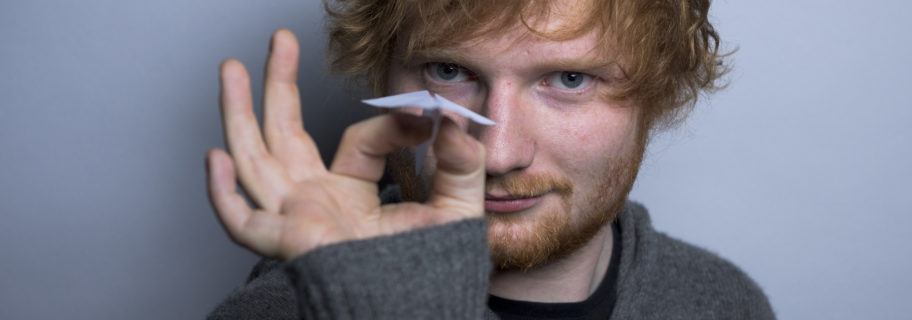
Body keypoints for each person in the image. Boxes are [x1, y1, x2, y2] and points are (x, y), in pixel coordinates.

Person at [206, 0, 775, 318]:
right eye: (449, 72)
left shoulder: (721, 304)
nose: (497, 154)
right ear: (381, 72)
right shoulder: (282, 312)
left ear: (658, 92)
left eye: (569, 78)